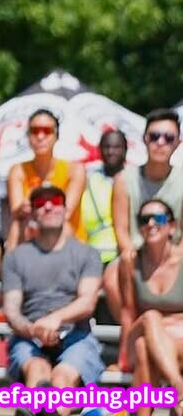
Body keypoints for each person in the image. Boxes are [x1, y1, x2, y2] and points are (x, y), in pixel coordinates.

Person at [2, 184, 104, 415]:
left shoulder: (87, 254)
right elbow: (11, 310)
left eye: (55, 201)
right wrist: (33, 329)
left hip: (76, 335)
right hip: (29, 338)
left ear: (66, 209)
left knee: (62, 378)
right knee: (37, 371)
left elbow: (87, 302)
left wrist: (55, 319)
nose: (48, 207)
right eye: (40, 203)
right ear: (32, 213)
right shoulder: (15, 258)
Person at [118, 198, 183, 416]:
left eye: (159, 218)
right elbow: (127, 310)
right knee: (151, 316)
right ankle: (178, 387)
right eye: (145, 219)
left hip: (172, 341)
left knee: (143, 348)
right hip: (144, 328)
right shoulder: (130, 261)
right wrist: (122, 359)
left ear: (172, 226)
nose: (151, 223)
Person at [5, 109, 86, 250]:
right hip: (31, 232)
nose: (40, 136)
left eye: (47, 131)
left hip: (68, 237)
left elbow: (66, 213)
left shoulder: (74, 170)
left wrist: (36, 206)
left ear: (56, 136)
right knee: (17, 225)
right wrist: (23, 207)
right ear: (28, 136)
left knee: (62, 226)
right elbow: (16, 211)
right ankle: (11, 264)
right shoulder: (18, 170)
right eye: (34, 131)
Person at [113, 109, 183, 260]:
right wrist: (135, 260)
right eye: (154, 136)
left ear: (178, 143)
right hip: (135, 258)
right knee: (113, 271)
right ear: (145, 139)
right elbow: (121, 231)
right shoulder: (123, 179)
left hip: (175, 259)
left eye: (169, 138)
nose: (160, 143)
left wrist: (172, 263)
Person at [81, 128, 127, 328]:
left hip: (125, 255)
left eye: (117, 147)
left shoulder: (135, 179)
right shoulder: (88, 179)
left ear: (125, 150)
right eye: (107, 147)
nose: (111, 151)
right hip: (94, 257)